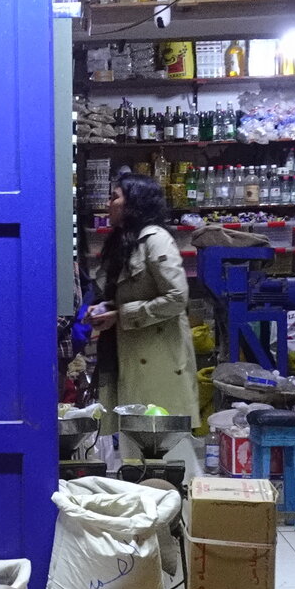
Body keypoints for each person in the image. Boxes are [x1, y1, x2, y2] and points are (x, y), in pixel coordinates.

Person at [87, 173, 200, 428]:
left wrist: (122, 315)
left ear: (133, 202)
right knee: (132, 437)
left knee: (161, 441)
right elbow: (126, 292)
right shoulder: (121, 242)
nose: (108, 203)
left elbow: (177, 297)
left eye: (114, 197)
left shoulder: (156, 239)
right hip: (126, 351)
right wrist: (106, 308)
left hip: (157, 358)